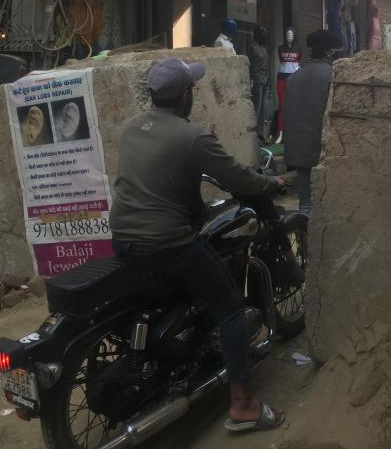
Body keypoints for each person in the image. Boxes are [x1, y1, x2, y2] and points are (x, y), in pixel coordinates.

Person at [110, 57, 287, 432]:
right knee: (231, 309)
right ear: (184, 96)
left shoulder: (131, 127)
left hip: (124, 241)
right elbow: (239, 177)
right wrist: (271, 184)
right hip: (168, 244)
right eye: (192, 88)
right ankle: (243, 407)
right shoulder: (192, 136)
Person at [284, 29, 342, 215]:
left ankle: (304, 220)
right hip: (321, 146)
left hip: (297, 145)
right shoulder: (334, 75)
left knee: (305, 201)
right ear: (330, 51)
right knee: (324, 203)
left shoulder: (294, 76)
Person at [248, 26, 269, 141]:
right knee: (257, 105)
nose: (264, 35)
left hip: (265, 78)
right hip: (256, 79)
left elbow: (266, 62)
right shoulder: (252, 47)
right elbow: (249, 64)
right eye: (262, 33)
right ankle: (253, 133)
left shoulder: (263, 48)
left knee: (263, 107)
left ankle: (260, 133)